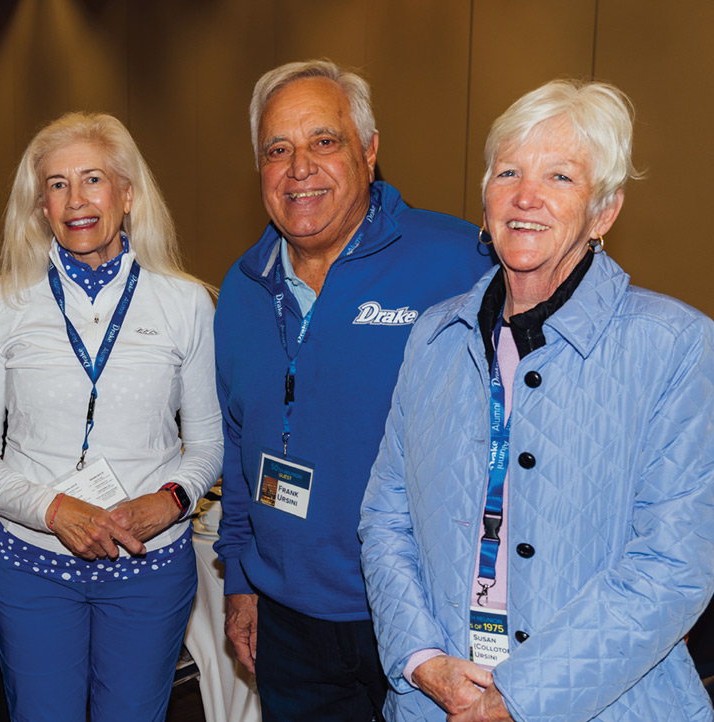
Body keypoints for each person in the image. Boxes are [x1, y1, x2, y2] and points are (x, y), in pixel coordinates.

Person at [359, 79, 714, 722]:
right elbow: (386, 517)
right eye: (508, 172)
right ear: (486, 195)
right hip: (438, 698)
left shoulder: (676, 347)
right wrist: (421, 660)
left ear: (603, 212)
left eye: (559, 177)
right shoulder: (434, 337)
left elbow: (672, 565)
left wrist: (521, 698)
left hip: (606, 704)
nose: (526, 196)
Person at [214, 59, 489, 722]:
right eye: (278, 149)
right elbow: (237, 440)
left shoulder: (458, 261)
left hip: (425, 617)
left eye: (323, 141)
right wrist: (243, 581)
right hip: (289, 619)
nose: (298, 166)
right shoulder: (242, 291)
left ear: (369, 152)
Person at [0, 112, 222, 722]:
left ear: (127, 195)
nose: (75, 199)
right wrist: (54, 510)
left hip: (149, 563)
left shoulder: (186, 303)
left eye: (93, 179)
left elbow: (207, 443)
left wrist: (171, 500)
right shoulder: (0, 305)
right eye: (56, 184)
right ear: (39, 206)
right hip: (32, 566)